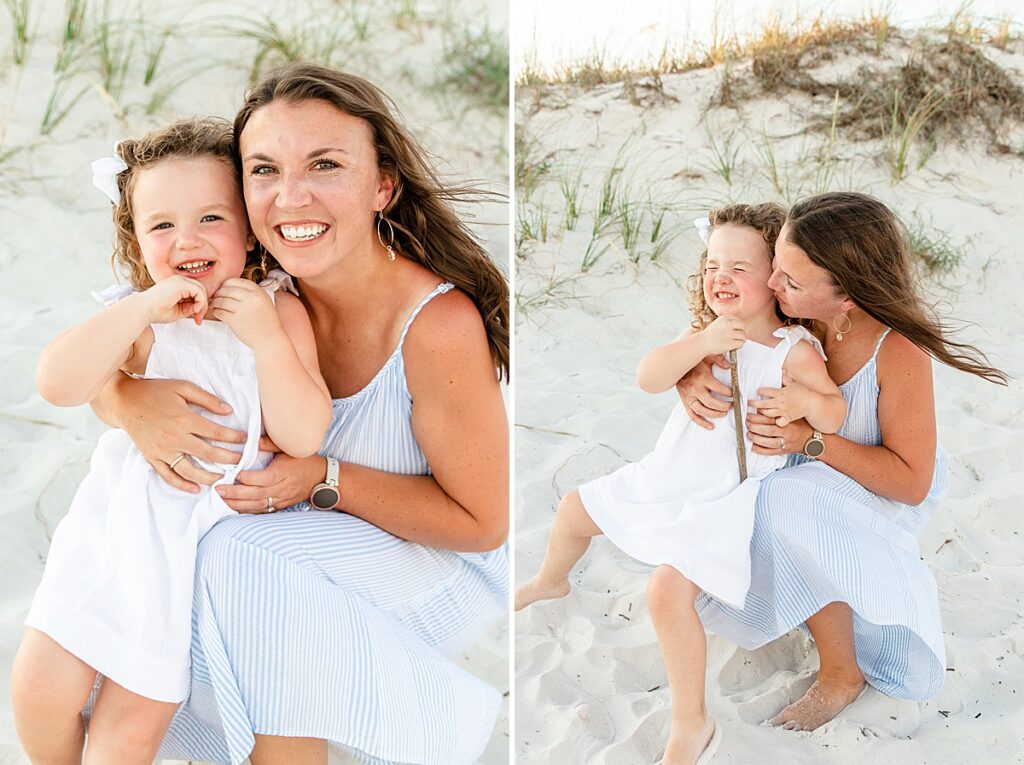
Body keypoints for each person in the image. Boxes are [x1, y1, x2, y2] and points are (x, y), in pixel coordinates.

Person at [85, 64, 508, 765]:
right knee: (154, 551)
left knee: (232, 557)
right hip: (300, 542)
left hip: (436, 564)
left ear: (383, 184)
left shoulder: (436, 326)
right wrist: (126, 401)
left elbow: (481, 522)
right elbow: (106, 352)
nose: (290, 197)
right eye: (263, 170)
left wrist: (321, 474)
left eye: (325, 165)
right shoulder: (248, 286)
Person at [10, 117, 332, 764]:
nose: (186, 239)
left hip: (188, 552)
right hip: (113, 530)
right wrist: (136, 308)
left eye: (211, 217)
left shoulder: (277, 308)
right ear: (136, 240)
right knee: (38, 692)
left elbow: (304, 433)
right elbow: (57, 383)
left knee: (127, 728)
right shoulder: (138, 316)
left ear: (247, 227)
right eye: (161, 225)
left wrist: (268, 340)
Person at [516, 203, 847, 765]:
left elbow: (834, 414)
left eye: (740, 267)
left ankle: (690, 723)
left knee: (665, 593)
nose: (721, 275)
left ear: (774, 277)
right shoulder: (705, 336)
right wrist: (701, 344)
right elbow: (649, 377)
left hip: (727, 497)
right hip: (669, 476)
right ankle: (552, 580)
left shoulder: (794, 350)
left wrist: (802, 403)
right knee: (574, 507)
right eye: (713, 263)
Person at [677, 191, 1007, 733]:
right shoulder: (790, 300)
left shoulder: (896, 348)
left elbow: (912, 481)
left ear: (846, 297)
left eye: (791, 281)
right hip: (800, 463)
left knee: (782, 502)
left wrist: (809, 442)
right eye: (776, 267)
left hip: (877, 482)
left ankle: (841, 673)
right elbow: (710, 320)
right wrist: (687, 373)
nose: (773, 286)